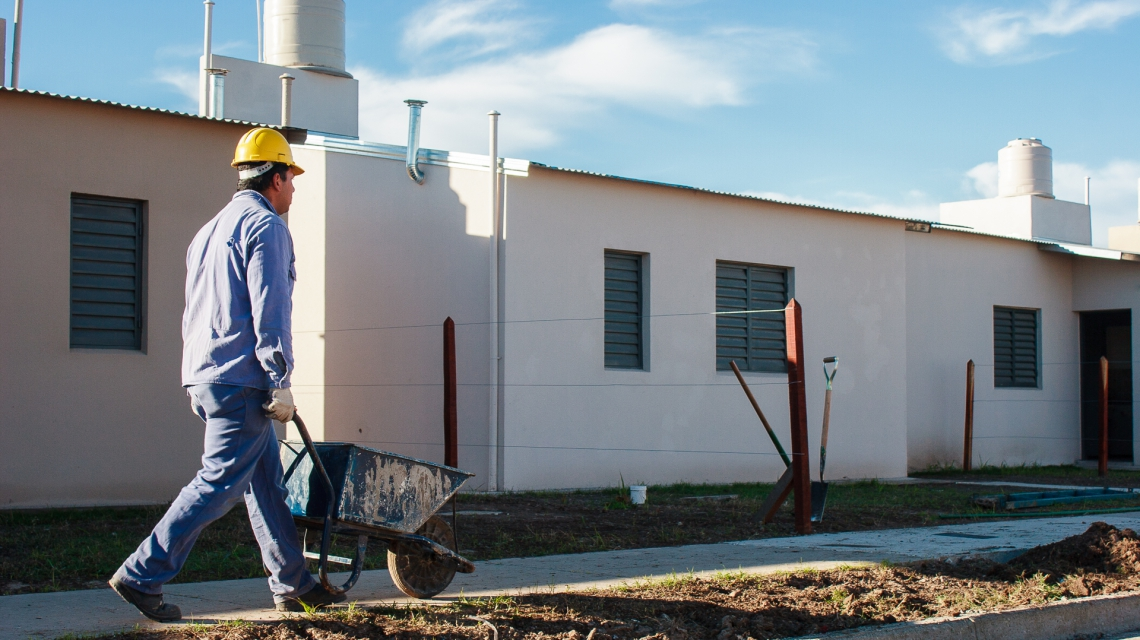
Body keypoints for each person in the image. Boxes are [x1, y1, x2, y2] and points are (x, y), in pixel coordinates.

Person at [109, 128, 344, 621]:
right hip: (243, 379)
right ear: (276, 177)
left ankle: (294, 584)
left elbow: (198, 308)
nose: (295, 190)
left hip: (206, 373)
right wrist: (280, 375)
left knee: (266, 485)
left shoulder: (210, 229)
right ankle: (142, 573)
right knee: (217, 481)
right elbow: (270, 307)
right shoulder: (266, 228)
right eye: (292, 179)